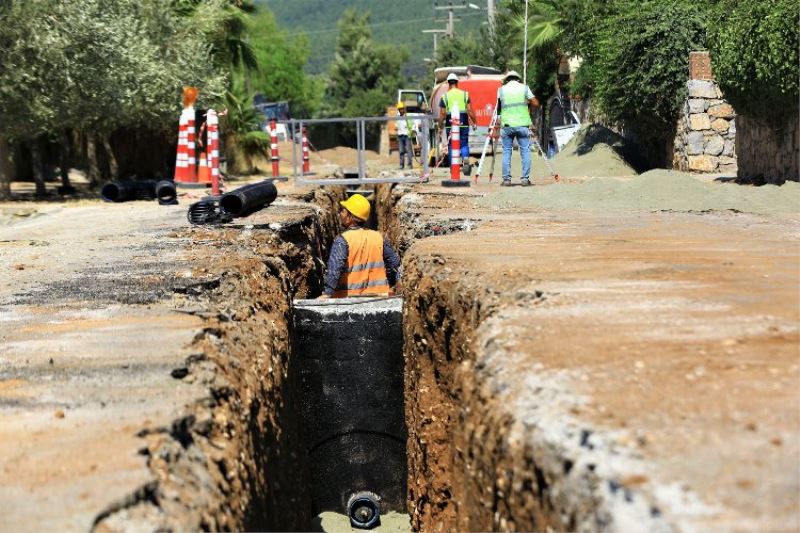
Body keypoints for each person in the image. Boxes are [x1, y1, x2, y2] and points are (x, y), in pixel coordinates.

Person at [321, 194, 401, 298]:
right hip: (380, 297)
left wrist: (327, 293)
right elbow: (394, 263)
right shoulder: (378, 237)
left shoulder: (342, 240)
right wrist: (390, 283)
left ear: (351, 216)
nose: (340, 214)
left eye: (343, 211)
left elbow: (334, 270)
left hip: (347, 299)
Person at [496, 70, 540, 186]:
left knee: (506, 152)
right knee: (525, 151)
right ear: (518, 79)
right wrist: (528, 105)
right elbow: (536, 103)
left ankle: (506, 180)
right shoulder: (524, 88)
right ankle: (525, 179)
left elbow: (498, 108)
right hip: (522, 124)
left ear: (507, 80)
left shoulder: (501, 90)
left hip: (507, 126)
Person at [438, 73, 477, 171]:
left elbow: (442, 113)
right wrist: (475, 121)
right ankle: (465, 160)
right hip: (463, 123)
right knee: (464, 144)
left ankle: (453, 167)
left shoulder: (445, 96)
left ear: (448, 83)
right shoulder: (464, 94)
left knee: (451, 145)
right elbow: (469, 110)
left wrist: (440, 126)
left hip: (450, 124)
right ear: (457, 82)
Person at [396, 102, 416, 170]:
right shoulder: (398, 117)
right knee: (401, 151)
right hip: (400, 135)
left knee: (408, 150)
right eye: (399, 109)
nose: (400, 110)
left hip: (407, 135)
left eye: (401, 109)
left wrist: (412, 130)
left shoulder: (408, 116)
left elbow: (413, 124)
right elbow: (396, 125)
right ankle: (401, 165)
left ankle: (410, 165)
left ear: (404, 109)